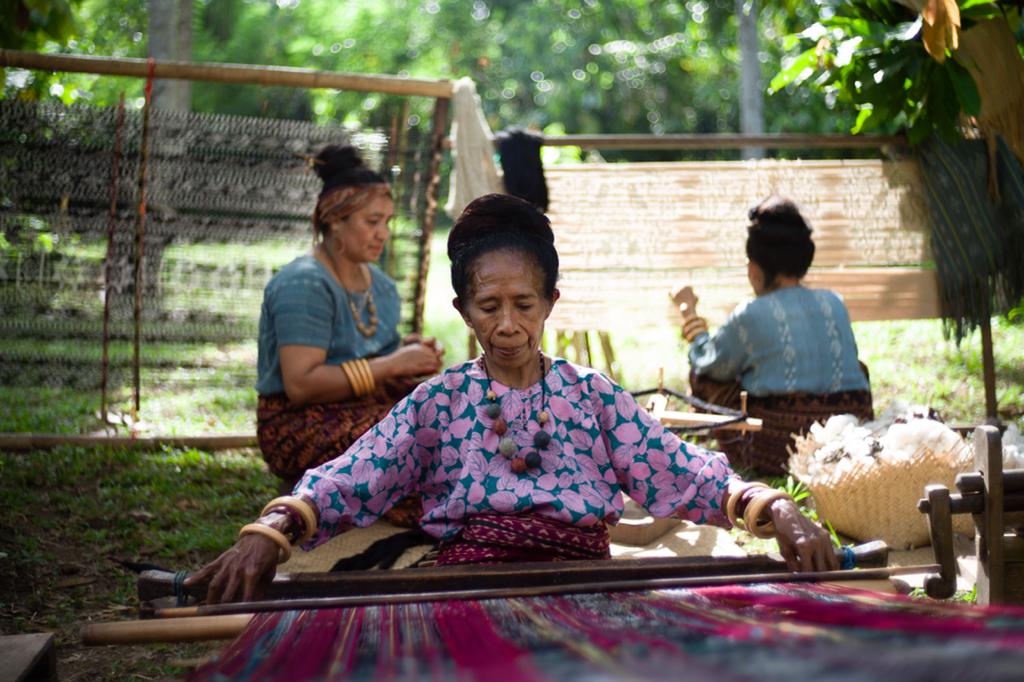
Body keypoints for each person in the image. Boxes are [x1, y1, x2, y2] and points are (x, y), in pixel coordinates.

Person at [189, 193, 838, 604]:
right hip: (462, 590)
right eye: (488, 306)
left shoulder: (593, 397)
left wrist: (777, 508)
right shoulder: (437, 403)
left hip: (587, 588)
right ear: (462, 311)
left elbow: (679, 468)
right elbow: (356, 476)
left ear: (550, 303)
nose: (507, 324)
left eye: (524, 304)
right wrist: (271, 532)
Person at [255, 144, 444, 505]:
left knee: (450, 412)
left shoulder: (381, 286)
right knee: (413, 440)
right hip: (297, 423)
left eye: (387, 222)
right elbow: (300, 385)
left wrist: (408, 353)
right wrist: (393, 364)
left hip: (363, 405)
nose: (383, 234)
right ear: (334, 220)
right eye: (372, 222)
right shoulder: (304, 283)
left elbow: (372, 356)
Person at [674, 196, 873, 475]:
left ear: (754, 269)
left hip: (779, 446)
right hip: (848, 436)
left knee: (706, 377)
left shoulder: (751, 314)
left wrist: (689, 316)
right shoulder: (834, 302)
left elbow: (708, 361)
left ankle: (742, 457)